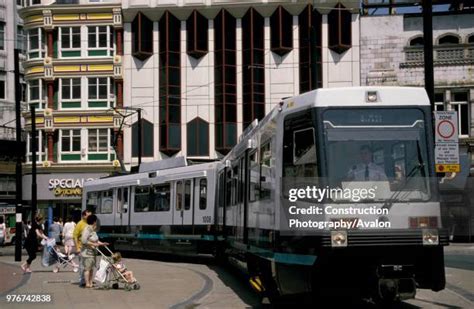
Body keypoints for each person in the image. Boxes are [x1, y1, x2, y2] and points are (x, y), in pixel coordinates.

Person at [81, 215, 107, 288]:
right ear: (94, 221)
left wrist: (102, 243)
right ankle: (87, 283)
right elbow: (83, 240)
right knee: (87, 268)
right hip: (87, 252)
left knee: (91, 268)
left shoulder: (92, 229)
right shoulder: (87, 229)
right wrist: (93, 244)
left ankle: (90, 282)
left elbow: (96, 240)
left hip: (93, 252)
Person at [73, 210, 91, 287]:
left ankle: (88, 280)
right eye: (88, 215)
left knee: (89, 265)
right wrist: (77, 248)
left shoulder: (90, 223)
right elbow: (75, 236)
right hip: (81, 247)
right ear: (83, 216)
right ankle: (82, 280)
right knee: (82, 265)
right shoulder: (79, 224)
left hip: (90, 248)